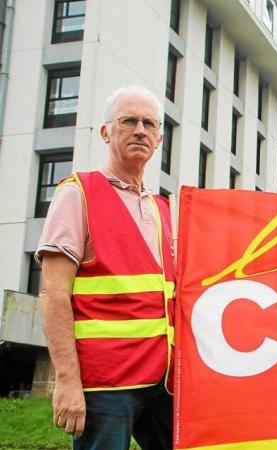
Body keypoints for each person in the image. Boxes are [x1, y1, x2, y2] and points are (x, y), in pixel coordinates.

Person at [37, 85, 175, 450]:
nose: (140, 130)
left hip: (165, 383)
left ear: (159, 138)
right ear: (106, 132)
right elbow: (53, 292)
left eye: (149, 124)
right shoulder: (78, 192)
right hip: (105, 386)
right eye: (128, 121)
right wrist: (66, 381)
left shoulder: (164, 209)